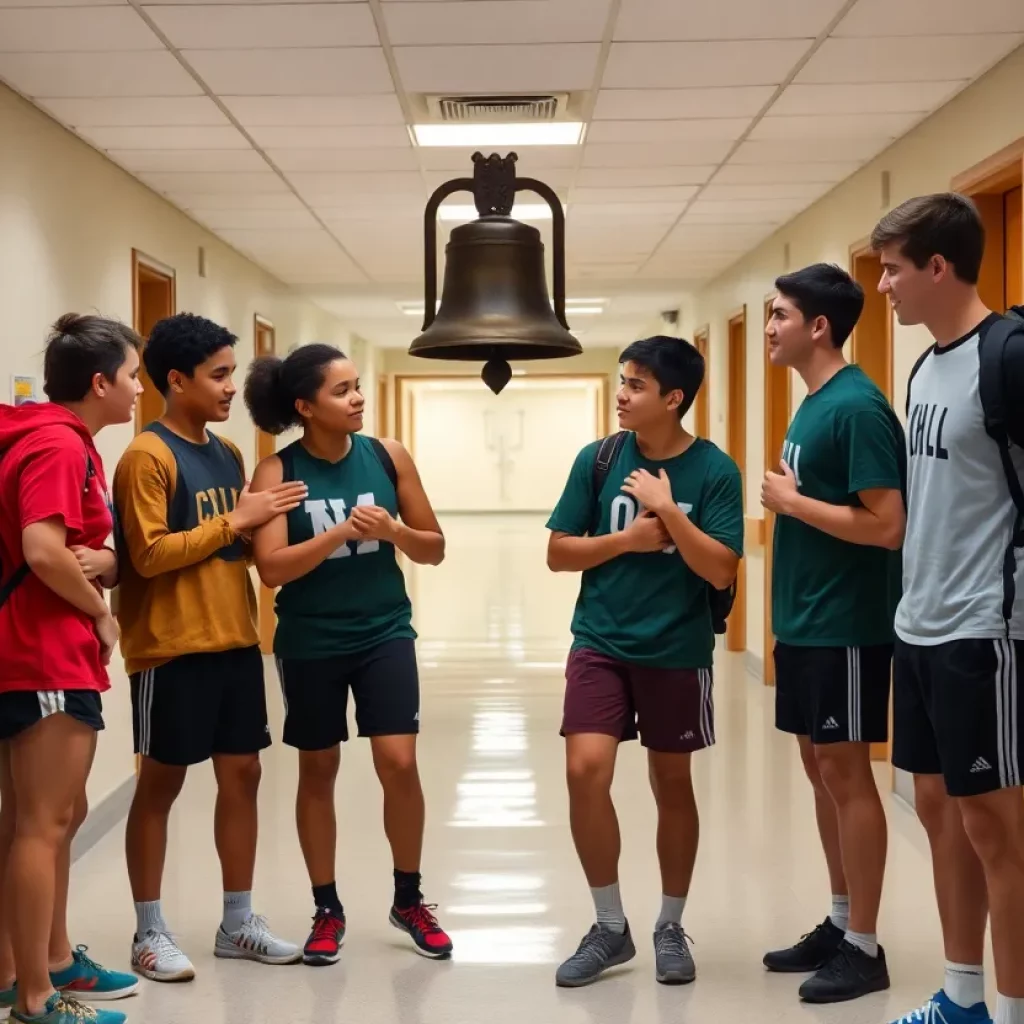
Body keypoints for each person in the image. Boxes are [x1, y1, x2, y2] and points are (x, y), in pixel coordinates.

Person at [243, 343, 452, 966]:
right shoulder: (276, 475)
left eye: (358, 386)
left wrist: (394, 532)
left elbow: (434, 547)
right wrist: (339, 532)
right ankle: (327, 908)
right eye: (342, 391)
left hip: (385, 632)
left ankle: (408, 897)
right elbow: (271, 570)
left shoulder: (388, 456)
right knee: (318, 769)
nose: (358, 398)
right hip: (310, 642)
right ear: (305, 407)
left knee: (399, 761)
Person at [545, 335, 743, 989]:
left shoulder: (714, 470)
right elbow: (560, 552)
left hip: (676, 649)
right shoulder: (598, 459)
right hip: (600, 641)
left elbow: (719, 566)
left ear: (674, 398)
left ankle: (669, 926)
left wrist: (665, 511)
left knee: (672, 784)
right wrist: (628, 538)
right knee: (584, 770)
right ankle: (608, 926)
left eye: (635, 384)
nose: (621, 395)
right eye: (621, 381)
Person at [113, 313, 306, 982]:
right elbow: (148, 554)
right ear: (176, 380)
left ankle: (238, 921)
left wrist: (271, 534)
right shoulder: (148, 456)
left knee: (244, 776)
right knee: (161, 785)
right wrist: (239, 519)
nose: (232, 388)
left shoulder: (225, 454)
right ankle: (149, 931)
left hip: (232, 642)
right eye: (219, 375)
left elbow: (236, 544)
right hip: (171, 649)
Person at [872, 193, 1024, 1024]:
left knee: (998, 830)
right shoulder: (927, 365)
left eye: (894, 269)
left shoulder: (1010, 355)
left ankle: (1011, 1010)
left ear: (938, 267)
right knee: (937, 813)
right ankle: (962, 996)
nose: (885, 286)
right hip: (918, 624)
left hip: (984, 630)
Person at [758, 264, 907, 1004]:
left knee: (848, 779)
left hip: (847, 624)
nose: (769, 328)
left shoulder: (857, 407)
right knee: (822, 775)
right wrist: (794, 502)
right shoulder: (813, 404)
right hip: (805, 622)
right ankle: (842, 920)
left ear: (819, 326)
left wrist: (789, 502)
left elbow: (887, 526)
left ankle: (866, 947)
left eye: (779, 315)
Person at [0, 314, 144, 1024]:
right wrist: (101, 609)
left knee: (42, 817)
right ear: (99, 382)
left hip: (28, 650)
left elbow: (77, 544)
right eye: (133, 376)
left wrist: (106, 563)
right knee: (43, 822)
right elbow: (43, 548)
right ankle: (35, 998)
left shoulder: (45, 437)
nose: (138, 390)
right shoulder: (60, 445)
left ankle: (40, 964)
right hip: (44, 653)